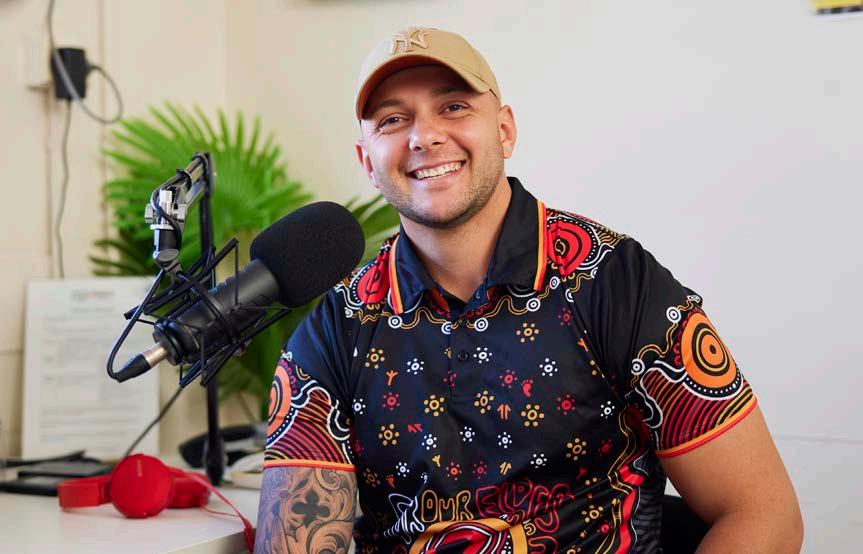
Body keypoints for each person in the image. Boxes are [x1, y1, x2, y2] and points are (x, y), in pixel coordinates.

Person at [255, 27, 803, 553]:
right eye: (393, 120)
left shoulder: (611, 281)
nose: (424, 136)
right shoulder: (337, 328)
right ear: (367, 163)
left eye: (453, 107)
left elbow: (763, 514)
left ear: (505, 130)